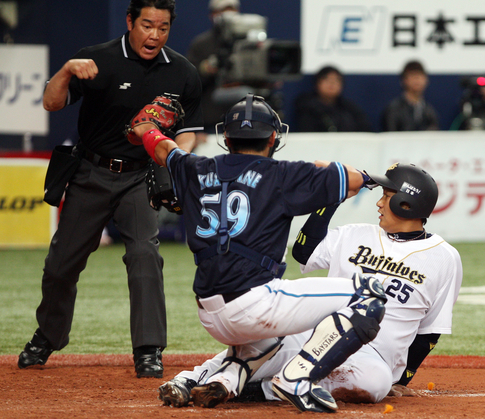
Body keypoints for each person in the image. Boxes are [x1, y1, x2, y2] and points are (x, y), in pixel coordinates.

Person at [130, 94, 387, 412]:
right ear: (274, 137)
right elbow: (348, 180)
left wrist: (145, 129)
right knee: (369, 295)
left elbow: (163, 149)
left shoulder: (194, 167)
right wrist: (356, 174)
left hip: (209, 311)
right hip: (253, 303)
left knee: (271, 340)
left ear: (226, 137)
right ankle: (297, 378)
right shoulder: (282, 174)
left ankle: (200, 380)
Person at [158, 162, 463, 405]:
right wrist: (329, 197)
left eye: (386, 195)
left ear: (406, 203)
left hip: (374, 358)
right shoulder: (355, 233)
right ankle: (190, 379)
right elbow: (304, 252)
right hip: (319, 335)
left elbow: (430, 331)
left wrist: (402, 379)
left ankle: (245, 388)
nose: (379, 203)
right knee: (270, 343)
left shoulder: (444, 257)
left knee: (376, 384)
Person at [17, 0, 203, 379]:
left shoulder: (183, 72)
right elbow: (51, 102)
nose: (154, 35)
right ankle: (48, 336)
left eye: (163, 27)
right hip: (92, 173)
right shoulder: (96, 59)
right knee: (60, 265)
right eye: (147, 25)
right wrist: (68, 70)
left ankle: (149, 350)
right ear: (130, 22)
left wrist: (173, 157)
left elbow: (188, 134)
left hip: (140, 176)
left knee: (144, 257)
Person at [186, 0, 240, 143]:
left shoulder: (247, 44)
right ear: (213, 15)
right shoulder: (201, 44)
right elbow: (188, 85)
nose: (229, 15)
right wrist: (205, 69)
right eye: (223, 10)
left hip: (243, 120)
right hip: (211, 123)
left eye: (232, 10)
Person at [295, 65, 372, 132]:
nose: (332, 83)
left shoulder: (349, 109)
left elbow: (364, 129)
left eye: (336, 80)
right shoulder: (307, 108)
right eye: (327, 79)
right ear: (317, 83)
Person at [382, 60, 439, 131]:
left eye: (420, 75)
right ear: (404, 80)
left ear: (426, 80)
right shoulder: (393, 110)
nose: (417, 79)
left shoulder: (429, 111)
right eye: (412, 75)